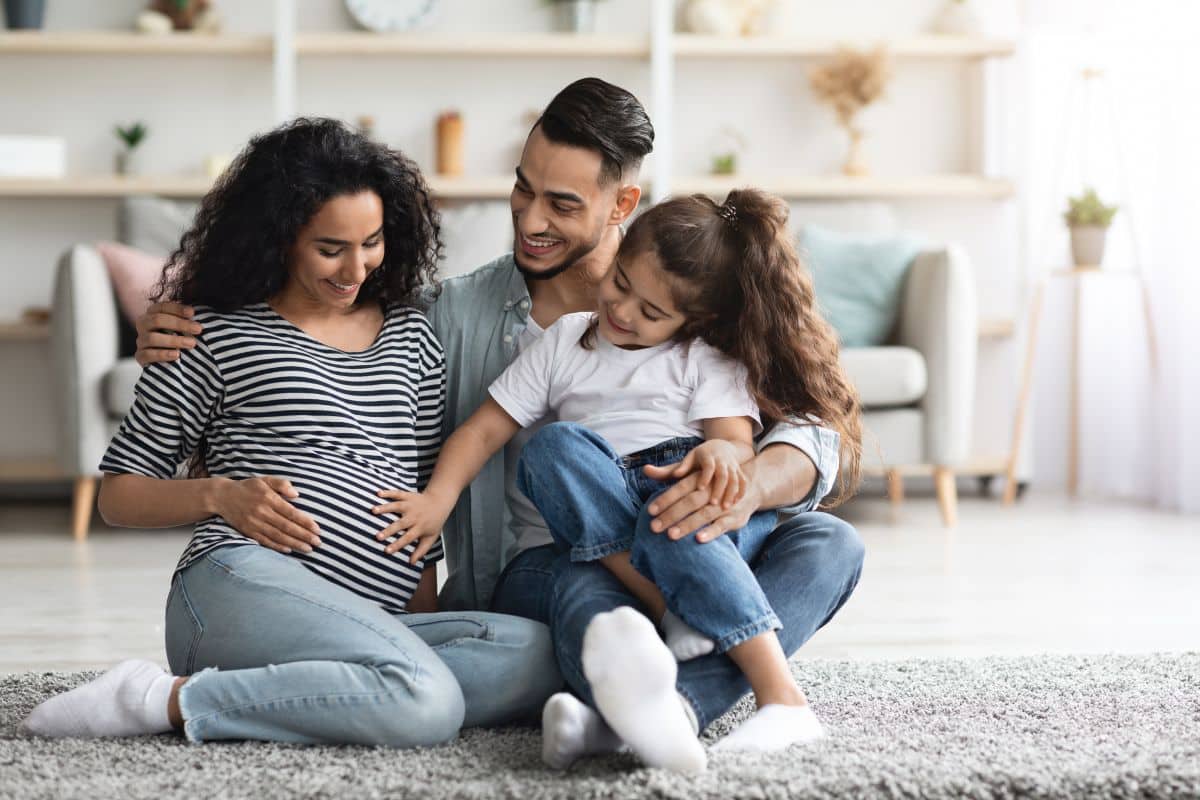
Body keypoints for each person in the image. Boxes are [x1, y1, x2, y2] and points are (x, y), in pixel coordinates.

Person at [129, 78, 866, 769]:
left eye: (562, 203)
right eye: (522, 187)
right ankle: (683, 654)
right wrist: (189, 312)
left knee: (828, 541)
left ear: (621, 205)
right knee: (571, 516)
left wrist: (742, 479)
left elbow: (809, 436)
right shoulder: (449, 315)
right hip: (552, 567)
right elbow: (327, 294)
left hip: (688, 534)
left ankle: (668, 701)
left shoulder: (689, 293)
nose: (531, 218)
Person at [22, 118, 559, 746]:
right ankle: (161, 699)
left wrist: (415, 628)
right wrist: (221, 495)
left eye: (372, 242)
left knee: (539, 655)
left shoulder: (413, 337)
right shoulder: (208, 333)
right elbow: (118, 495)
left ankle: (354, 684)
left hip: (371, 620)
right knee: (428, 701)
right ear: (280, 239)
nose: (355, 268)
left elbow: (416, 517)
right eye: (330, 248)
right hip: (236, 585)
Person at [369, 187, 863, 772]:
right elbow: (481, 432)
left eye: (651, 312)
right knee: (556, 450)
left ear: (693, 321)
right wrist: (437, 498)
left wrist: (722, 461)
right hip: (593, 535)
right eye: (621, 283)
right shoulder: (565, 341)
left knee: (829, 541)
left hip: (683, 513)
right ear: (619, 250)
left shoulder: (704, 357)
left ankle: (669, 710)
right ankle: (679, 616)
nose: (623, 312)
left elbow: (731, 442)